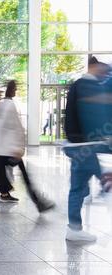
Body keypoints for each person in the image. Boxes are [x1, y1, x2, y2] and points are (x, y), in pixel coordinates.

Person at [0, 80, 55, 214]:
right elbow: (14, 127)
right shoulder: (8, 105)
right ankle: (38, 203)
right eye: (16, 89)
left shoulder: (2, 104)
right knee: (16, 175)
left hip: (1, 147)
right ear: (13, 90)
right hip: (6, 148)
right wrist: (19, 147)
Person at [63, 57, 112, 241]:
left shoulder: (77, 85)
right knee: (103, 183)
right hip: (88, 147)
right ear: (93, 66)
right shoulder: (89, 86)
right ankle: (74, 228)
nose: (103, 73)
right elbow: (96, 119)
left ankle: (74, 228)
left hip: (80, 147)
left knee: (78, 187)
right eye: (101, 69)